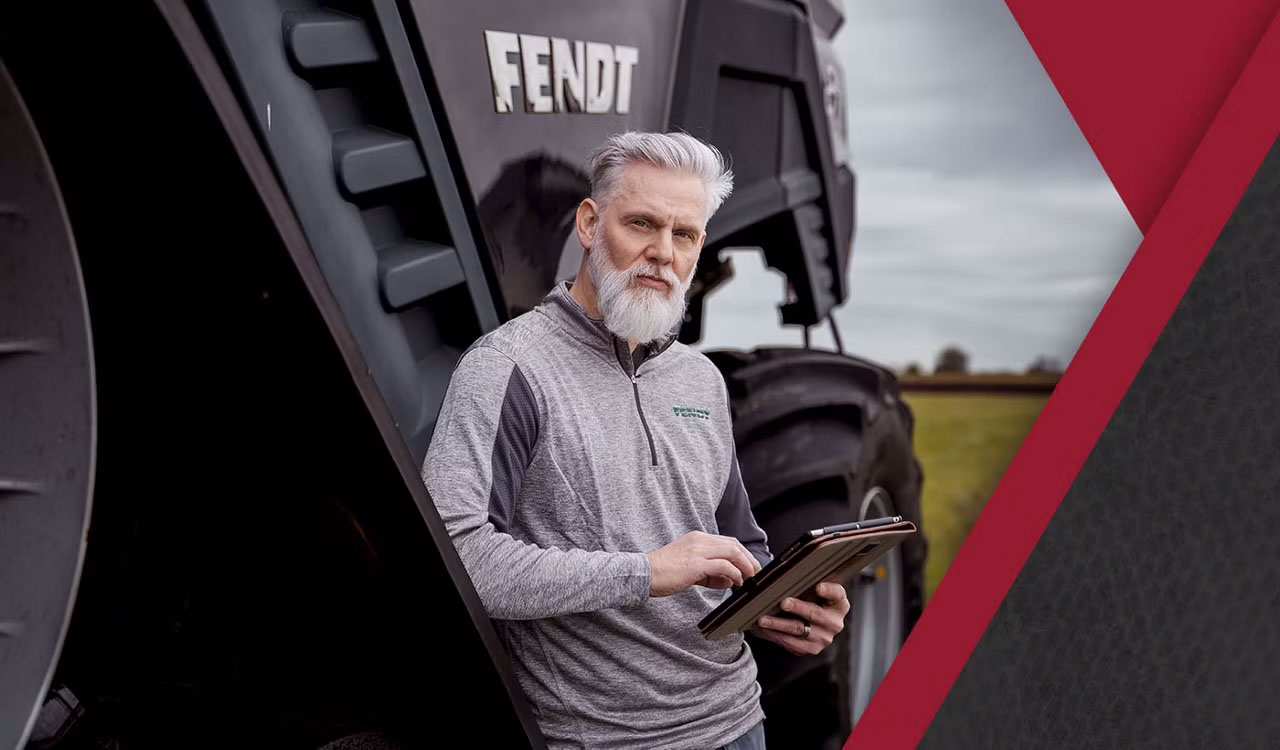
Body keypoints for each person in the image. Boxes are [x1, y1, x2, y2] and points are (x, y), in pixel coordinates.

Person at [421, 131, 851, 750]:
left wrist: (787, 605)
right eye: (642, 224)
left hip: (738, 722)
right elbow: (459, 559)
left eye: (686, 235)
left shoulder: (700, 380)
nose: (662, 254)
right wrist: (647, 572)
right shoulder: (507, 369)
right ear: (591, 225)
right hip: (607, 738)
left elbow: (738, 544)